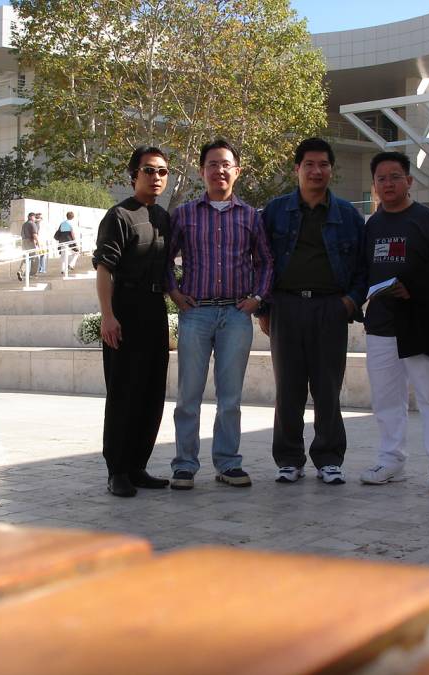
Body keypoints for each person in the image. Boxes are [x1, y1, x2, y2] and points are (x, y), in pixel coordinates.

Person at [166, 139, 274, 490]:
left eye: (226, 164)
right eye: (212, 164)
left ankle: (228, 463)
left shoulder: (250, 216)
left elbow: (266, 262)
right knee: (189, 395)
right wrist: (175, 293)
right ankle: (184, 464)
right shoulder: (183, 214)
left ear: (237, 171)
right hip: (196, 314)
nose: (220, 170)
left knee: (230, 397)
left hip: (235, 315)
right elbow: (165, 258)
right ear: (202, 171)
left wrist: (258, 297)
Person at [260, 137, 367, 485]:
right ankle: (289, 459)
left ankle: (329, 457)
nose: (316, 171)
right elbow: (260, 261)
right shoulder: (275, 211)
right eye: (309, 165)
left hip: (330, 308)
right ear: (297, 169)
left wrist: (349, 302)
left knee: (327, 386)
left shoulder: (349, 215)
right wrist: (263, 306)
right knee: (288, 387)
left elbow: (363, 267)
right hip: (286, 306)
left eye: (323, 165)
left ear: (331, 170)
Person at [363, 151, 429, 494]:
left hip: (421, 323)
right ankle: (391, 459)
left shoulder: (427, 220)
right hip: (381, 324)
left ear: (408, 181)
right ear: (375, 185)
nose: (388, 184)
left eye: (395, 177)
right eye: (381, 178)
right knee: (386, 399)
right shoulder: (373, 225)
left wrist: (415, 285)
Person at [93, 145, 172, 498]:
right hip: (124, 309)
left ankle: (139, 466)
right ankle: (118, 470)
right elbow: (104, 270)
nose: (156, 177)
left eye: (162, 172)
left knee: (152, 391)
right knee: (124, 392)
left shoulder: (164, 219)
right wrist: (108, 316)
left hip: (155, 309)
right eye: (149, 170)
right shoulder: (119, 216)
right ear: (134, 175)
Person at [56, 211, 80, 277]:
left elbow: (59, 232)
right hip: (69, 241)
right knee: (77, 252)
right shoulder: (72, 223)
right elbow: (73, 234)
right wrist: (75, 243)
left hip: (61, 241)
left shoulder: (62, 223)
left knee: (63, 256)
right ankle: (71, 265)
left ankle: (63, 269)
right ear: (73, 217)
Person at [18, 212, 38, 281]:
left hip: (24, 242)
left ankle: (20, 271)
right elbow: (34, 234)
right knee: (35, 258)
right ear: (31, 217)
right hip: (30, 241)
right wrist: (38, 242)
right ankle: (33, 274)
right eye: (34, 217)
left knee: (25, 258)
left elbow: (21, 234)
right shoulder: (32, 224)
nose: (35, 218)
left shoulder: (24, 224)